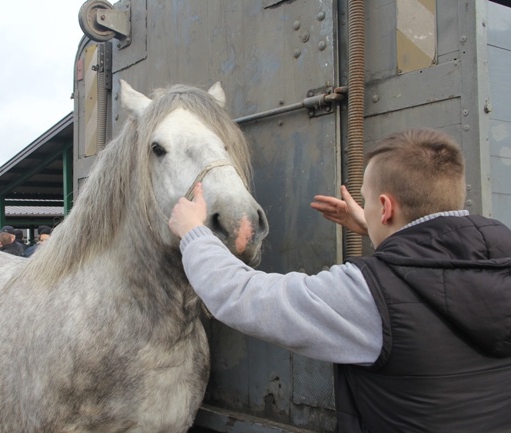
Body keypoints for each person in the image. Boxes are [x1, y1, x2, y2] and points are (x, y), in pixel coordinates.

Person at [168, 128, 511, 432]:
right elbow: (433, 266)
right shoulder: (500, 259)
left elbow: (242, 296)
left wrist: (194, 234)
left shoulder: (370, 296)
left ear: (386, 207)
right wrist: (380, 229)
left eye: (365, 199)